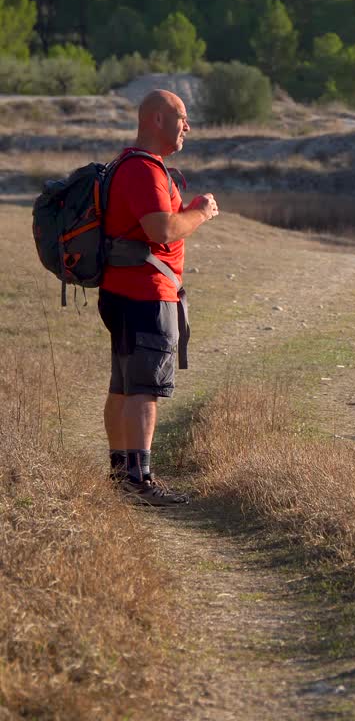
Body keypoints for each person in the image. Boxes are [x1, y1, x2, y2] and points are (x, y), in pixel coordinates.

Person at [98, 88, 219, 505]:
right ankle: (139, 481)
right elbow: (162, 230)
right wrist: (201, 213)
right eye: (182, 116)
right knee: (144, 389)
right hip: (146, 294)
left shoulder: (133, 165)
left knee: (125, 386)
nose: (187, 125)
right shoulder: (144, 170)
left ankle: (120, 475)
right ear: (156, 120)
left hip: (126, 291)